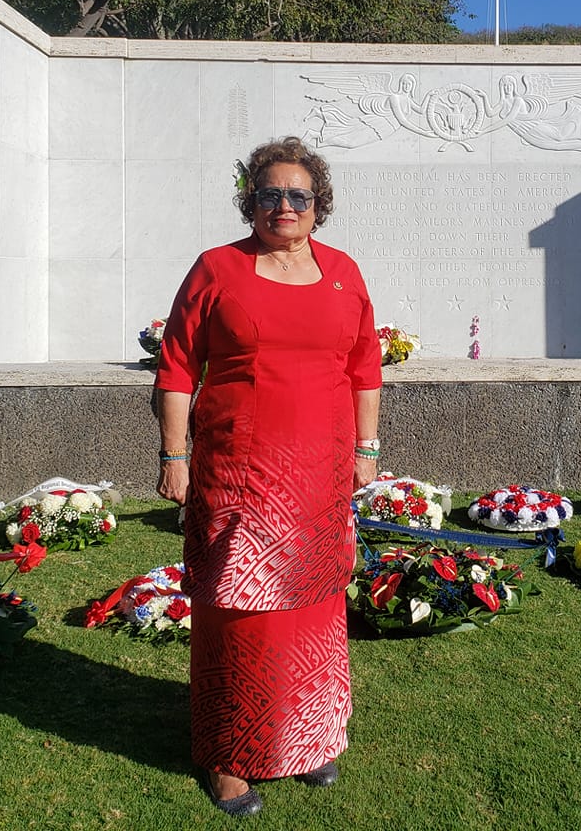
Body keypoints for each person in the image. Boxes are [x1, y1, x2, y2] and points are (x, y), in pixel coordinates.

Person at [154, 136, 381, 818]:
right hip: (239, 472)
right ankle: (230, 757)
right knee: (239, 611)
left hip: (321, 472)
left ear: (319, 206)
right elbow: (175, 369)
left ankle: (306, 740)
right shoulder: (217, 269)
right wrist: (175, 455)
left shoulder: (343, 272)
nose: (284, 205)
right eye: (269, 193)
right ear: (250, 200)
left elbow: (364, 367)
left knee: (312, 608)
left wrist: (366, 448)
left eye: (298, 195)